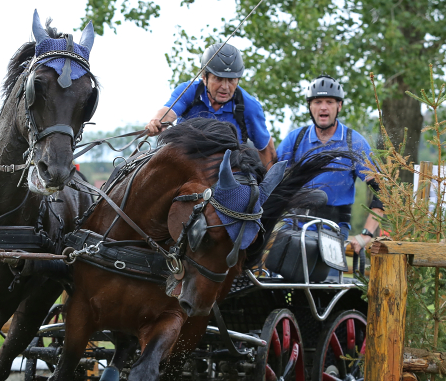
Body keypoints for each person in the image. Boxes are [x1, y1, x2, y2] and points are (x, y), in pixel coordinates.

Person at [276, 74, 383, 263]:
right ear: (310, 106)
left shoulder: (354, 143)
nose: (323, 107)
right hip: (292, 226)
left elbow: (382, 191)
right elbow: (269, 180)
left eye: (329, 102)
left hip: (332, 231)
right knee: (281, 287)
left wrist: (366, 234)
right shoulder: (295, 140)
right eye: (317, 102)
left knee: (325, 287)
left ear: (339, 106)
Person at [145, 43, 277, 168]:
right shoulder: (189, 90)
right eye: (218, 79)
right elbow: (169, 111)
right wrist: (158, 121)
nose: (225, 87)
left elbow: (265, 147)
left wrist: (272, 187)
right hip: (186, 162)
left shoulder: (250, 106)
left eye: (231, 80)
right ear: (204, 77)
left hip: (230, 171)